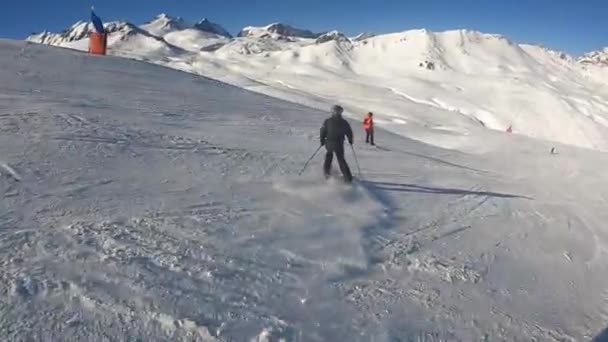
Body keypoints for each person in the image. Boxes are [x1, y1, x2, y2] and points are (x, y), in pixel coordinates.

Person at [320, 105, 354, 183]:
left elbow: (323, 131)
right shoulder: (343, 122)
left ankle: (327, 174)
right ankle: (348, 178)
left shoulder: (327, 121)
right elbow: (349, 132)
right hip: (338, 143)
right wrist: (350, 140)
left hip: (329, 142)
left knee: (329, 156)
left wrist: (322, 140)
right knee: (341, 159)